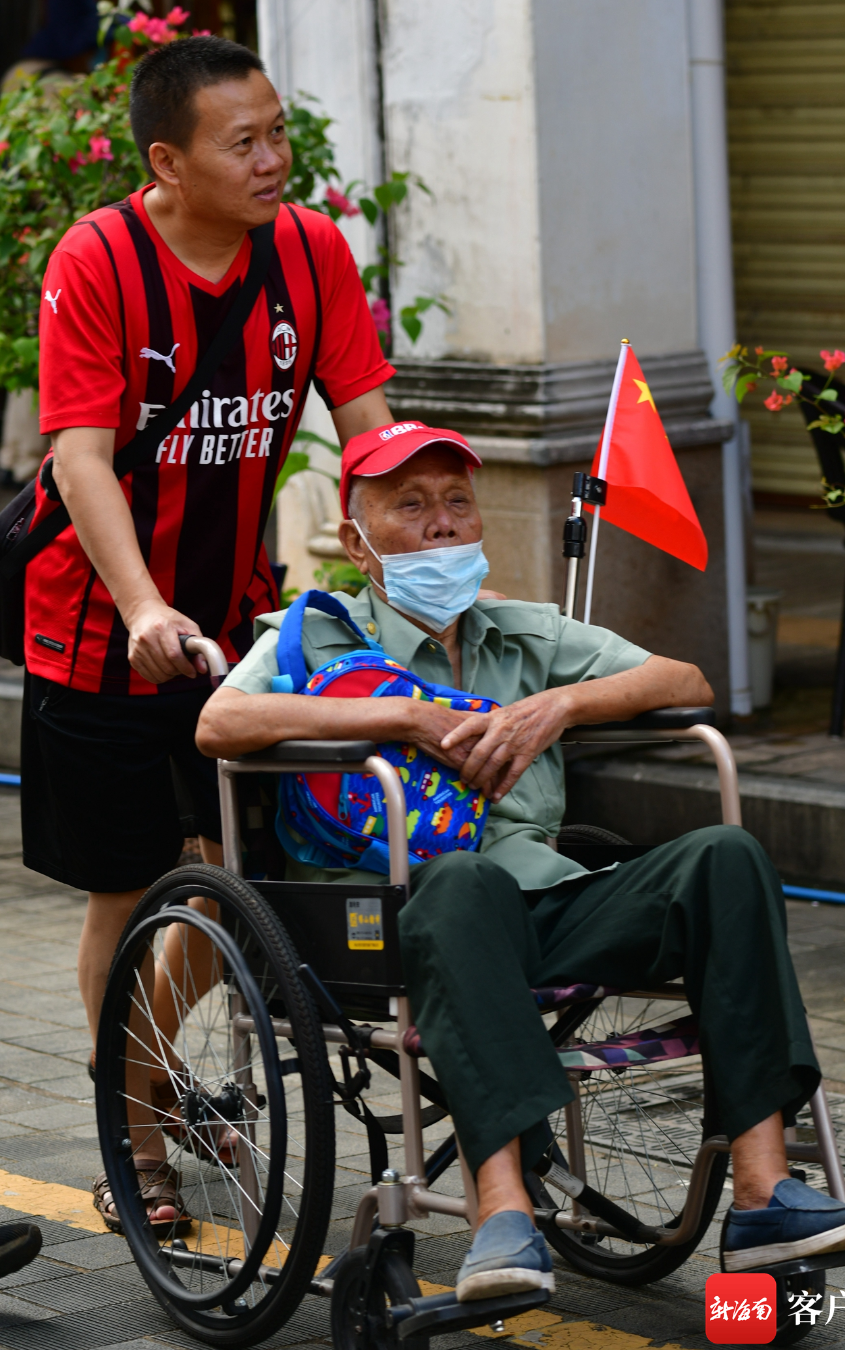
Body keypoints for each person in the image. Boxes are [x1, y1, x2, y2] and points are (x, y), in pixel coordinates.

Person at [197, 420, 845, 1297]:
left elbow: (686, 682)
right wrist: (402, 717)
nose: (443, 525)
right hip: (396, 921)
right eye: (411, 507)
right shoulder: (317, 637)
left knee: (726, 856)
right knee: (460, 881)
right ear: (357, 541)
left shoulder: (523, 635)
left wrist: (560, 706)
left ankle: (763, 1193)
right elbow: (219, 725)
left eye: (457, 503)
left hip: (545, 904)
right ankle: (503, 1209)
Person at [25, 35, 395, 1228]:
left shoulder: (309, 253)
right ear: (167, 162)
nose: (277, 159)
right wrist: (140, 604)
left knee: (234, 861)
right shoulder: (101, 263)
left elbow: (371, 426)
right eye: (247, 143)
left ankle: (131, 1077)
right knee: (128, 892)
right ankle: (131, 1135)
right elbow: (80, 459)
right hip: (96, 625)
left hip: (235, 621)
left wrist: (415, 561)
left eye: (280, 132)